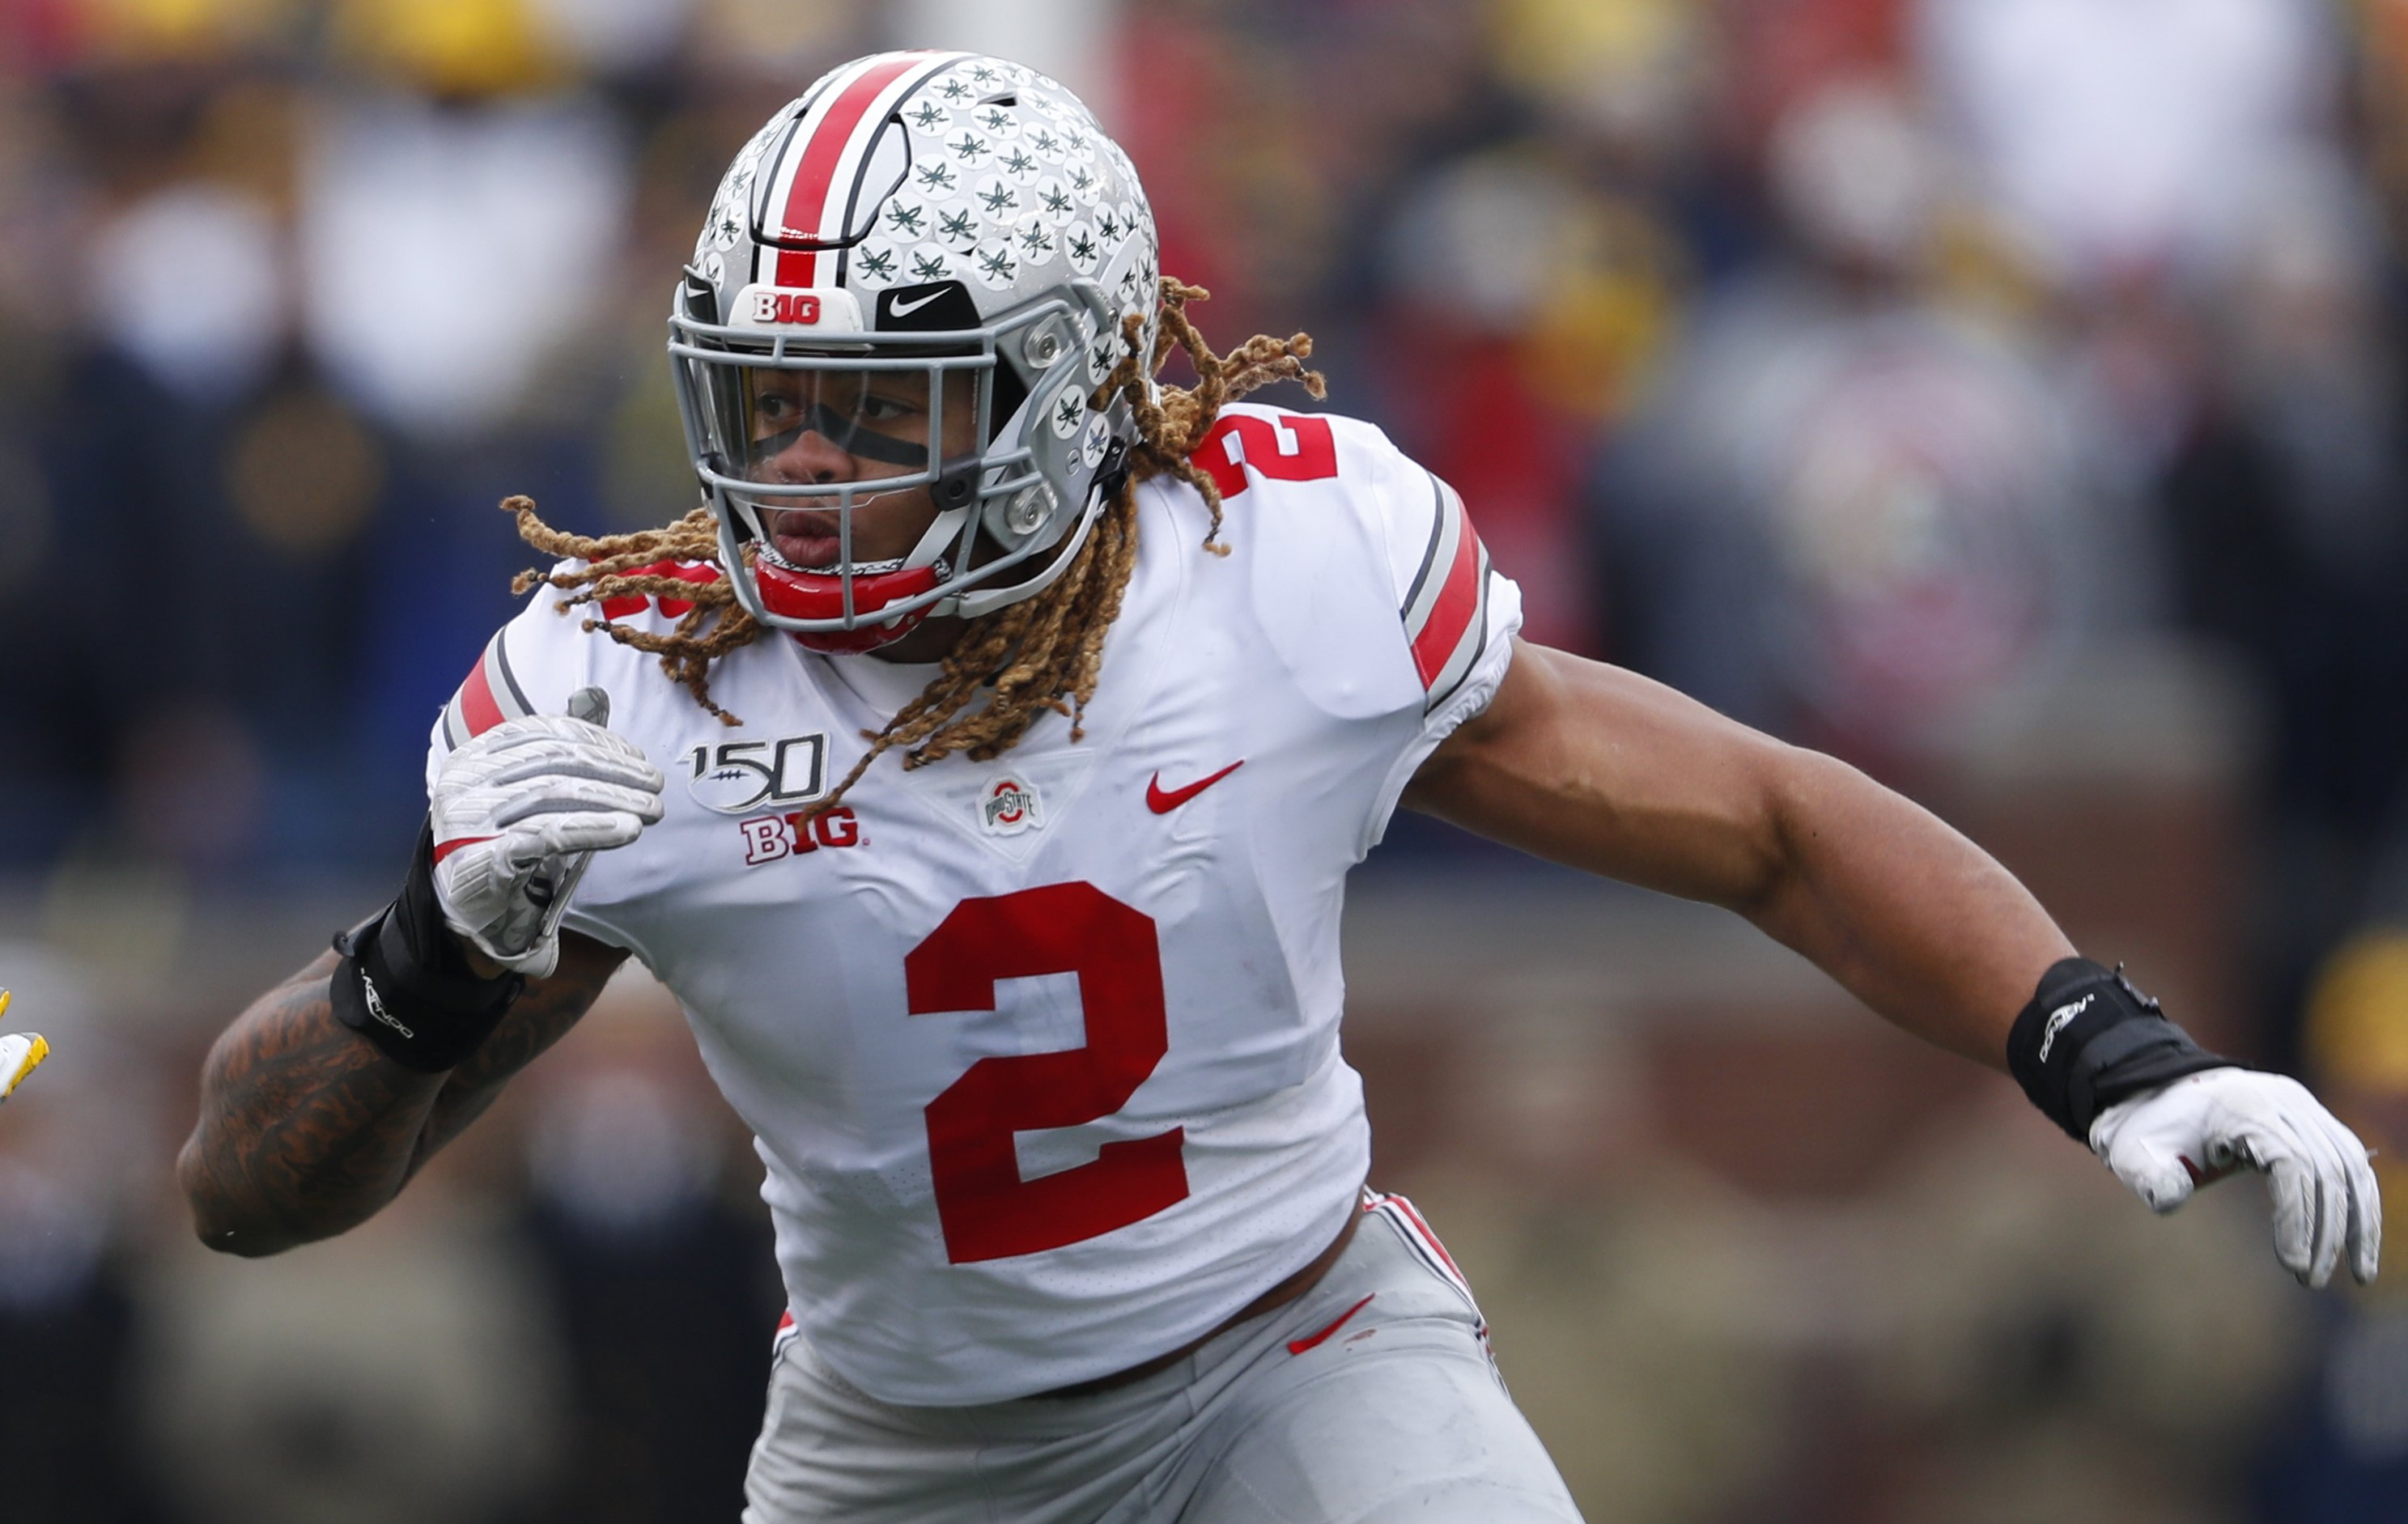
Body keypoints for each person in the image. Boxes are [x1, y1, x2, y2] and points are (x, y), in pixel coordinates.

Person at [176, 51, 2380, 1524]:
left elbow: (1773, 822)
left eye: (877, 405)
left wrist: (2104, 1048)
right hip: (904, 1440)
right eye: (765, 407)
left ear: (1062, 384)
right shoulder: (631, 684)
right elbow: (248, 1190)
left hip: (1296, 1352)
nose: (802, 474)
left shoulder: (1275, 563)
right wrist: (423, 969)